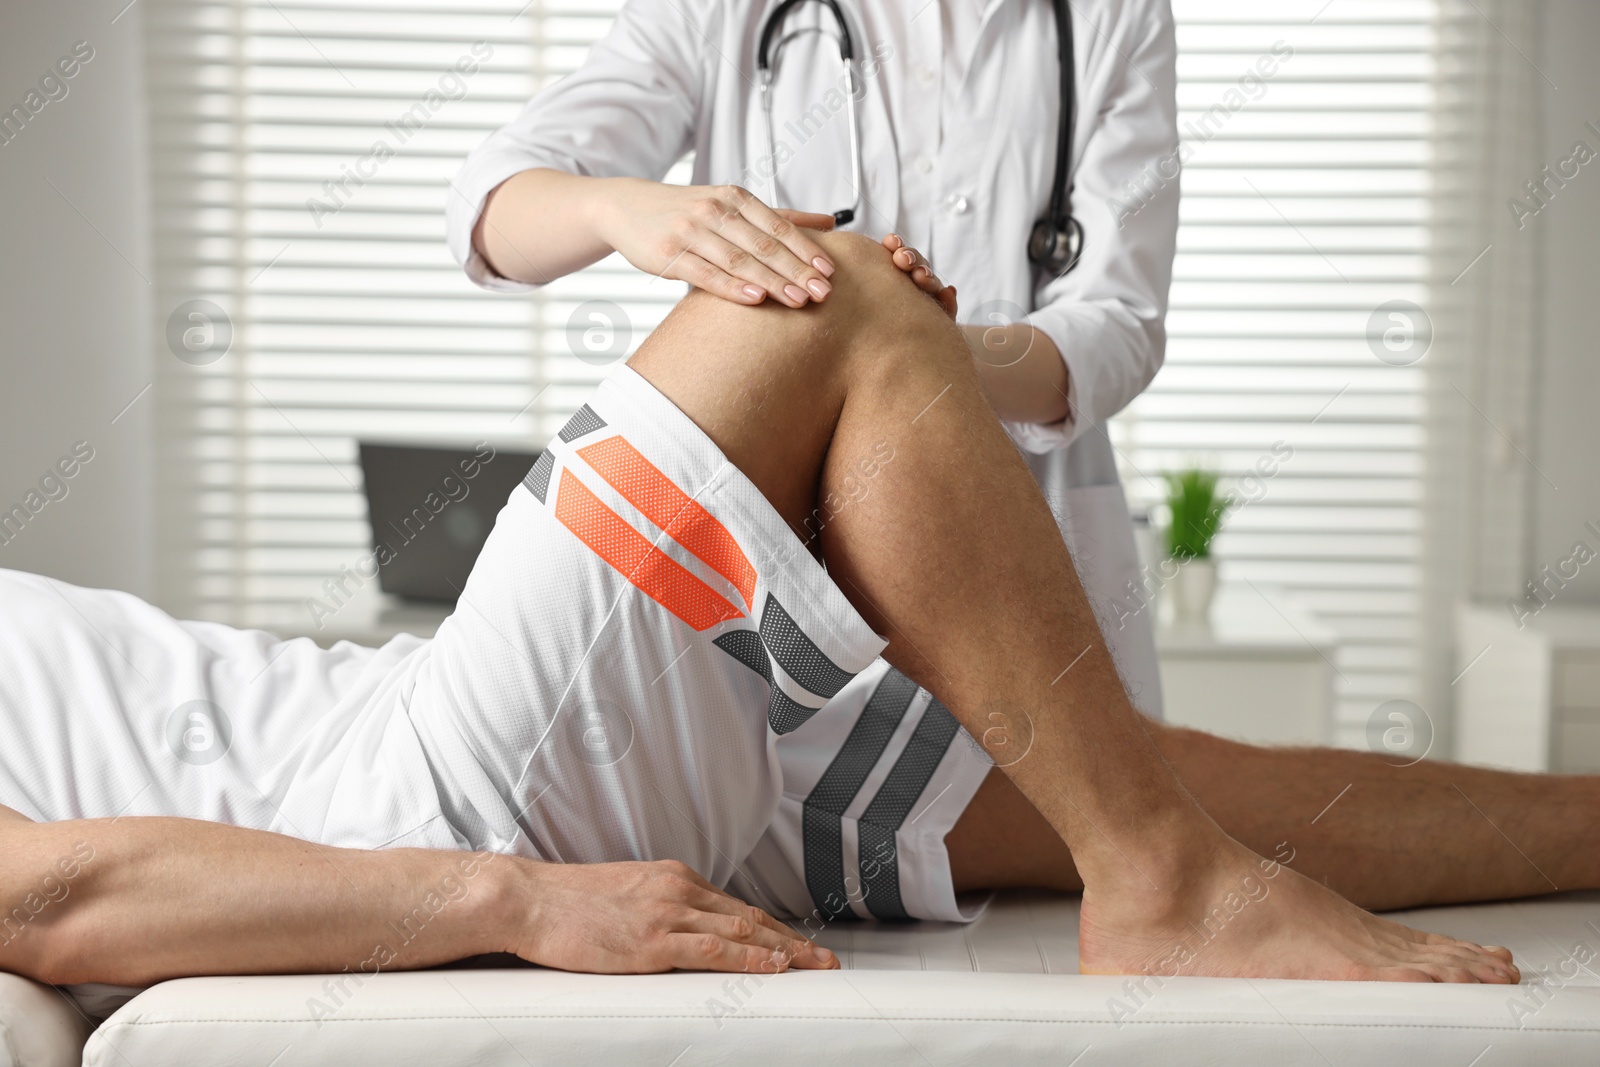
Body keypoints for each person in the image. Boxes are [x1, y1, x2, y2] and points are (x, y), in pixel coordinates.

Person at [15, 228, 1600, 994]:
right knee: (822, 297)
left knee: (1141, 763)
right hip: (422, 812)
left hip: (473, 748)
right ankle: (1165, 885)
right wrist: (515, 900)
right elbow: (43, 903)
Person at [448, 0, 1180, 722]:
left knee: (1074, 819)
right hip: (774, 561)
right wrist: (614, 207)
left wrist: (905, 345)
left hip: (1021, 548)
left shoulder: (1113, 14)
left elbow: (1118, 324)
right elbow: (489, 209)